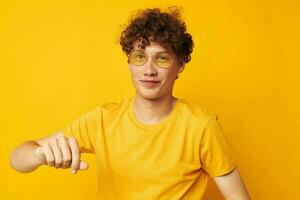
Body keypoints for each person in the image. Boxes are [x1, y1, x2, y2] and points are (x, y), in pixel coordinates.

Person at [10, 7, 250, 199]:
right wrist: (40, 155)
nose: (149, 70)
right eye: (139, 57)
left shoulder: (201, 126)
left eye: (162, 58)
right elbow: (17, 159)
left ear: (180, 65)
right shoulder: (103, 119)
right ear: (129, 63)